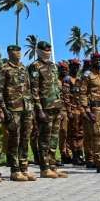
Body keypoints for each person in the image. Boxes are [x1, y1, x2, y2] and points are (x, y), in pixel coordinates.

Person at [0, 45, 34, 182]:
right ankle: (15, 170)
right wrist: (4, 109)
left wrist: (31, 107)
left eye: (19, 51)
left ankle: (24, 167)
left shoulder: (23, 68)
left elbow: (28, 89)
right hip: (12, 109)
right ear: (10, 53)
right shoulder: (3, 69)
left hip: (26, 108)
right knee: (14, 139)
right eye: (15, 51)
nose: (18, 54)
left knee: (25, 138)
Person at [29, 42, 66, 179]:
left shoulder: (53, 66)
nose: (48, 51)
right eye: (45, 50)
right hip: (45, 108)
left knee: (53, 139)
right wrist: (39, 110)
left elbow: (57, 88)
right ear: (38, 51)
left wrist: (61, 107)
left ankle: (52, 166)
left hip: (56, 107)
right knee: (44, 139)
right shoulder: (35, 66)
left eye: (49, 49)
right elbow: (34, 90)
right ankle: (44, 168)